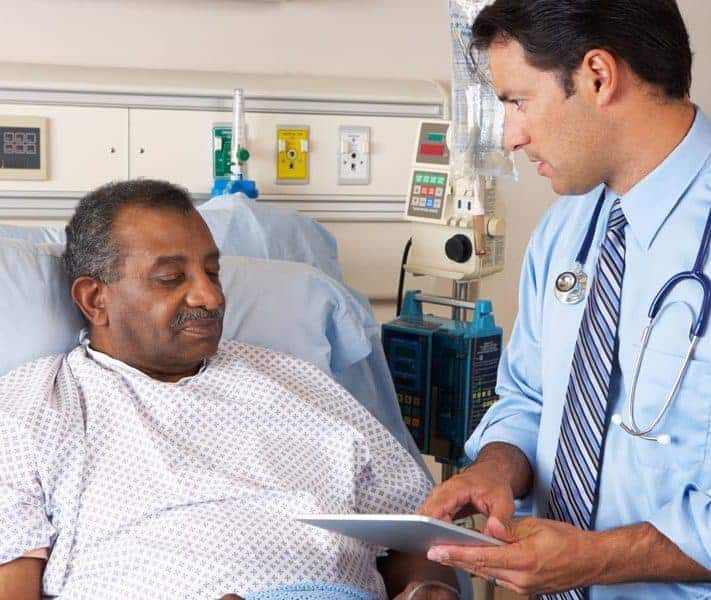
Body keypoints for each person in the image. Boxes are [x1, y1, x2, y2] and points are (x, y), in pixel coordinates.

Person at [0, 180, 459, 600]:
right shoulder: (35, 405)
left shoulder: (300, 383)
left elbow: (415, 534)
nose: (210, 297)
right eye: (171, 278)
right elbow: (12, 577)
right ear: (95, 299)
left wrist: (430, 588)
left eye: (212, 273)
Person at [419, 1, 711, 598]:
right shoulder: (565, 232)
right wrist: (495, 468)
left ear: (598, 76)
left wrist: (599, 559)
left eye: (518, 101)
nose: (512, 135)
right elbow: (527, 397)